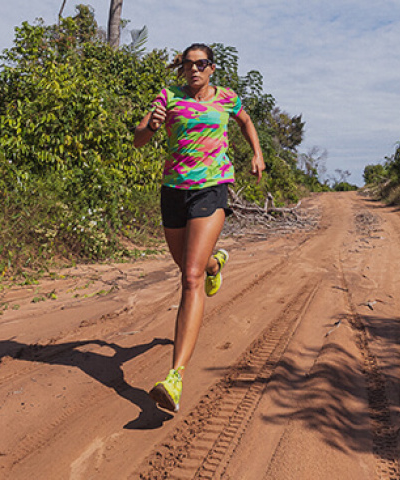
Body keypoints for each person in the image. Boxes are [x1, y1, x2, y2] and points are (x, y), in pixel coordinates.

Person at [133, 43, 265, 413]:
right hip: (173, 190)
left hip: (211, 187)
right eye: (188, 64)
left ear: (211, 68)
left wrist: (257, 153)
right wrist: (152, 126)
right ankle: (215, 264)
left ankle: (174, 377)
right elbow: (138, 137)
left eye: (201, 64)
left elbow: (245, 121)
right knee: (190, 266)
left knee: (189, 279)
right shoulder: (167, 97)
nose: (194, 70)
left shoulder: (226, 98)